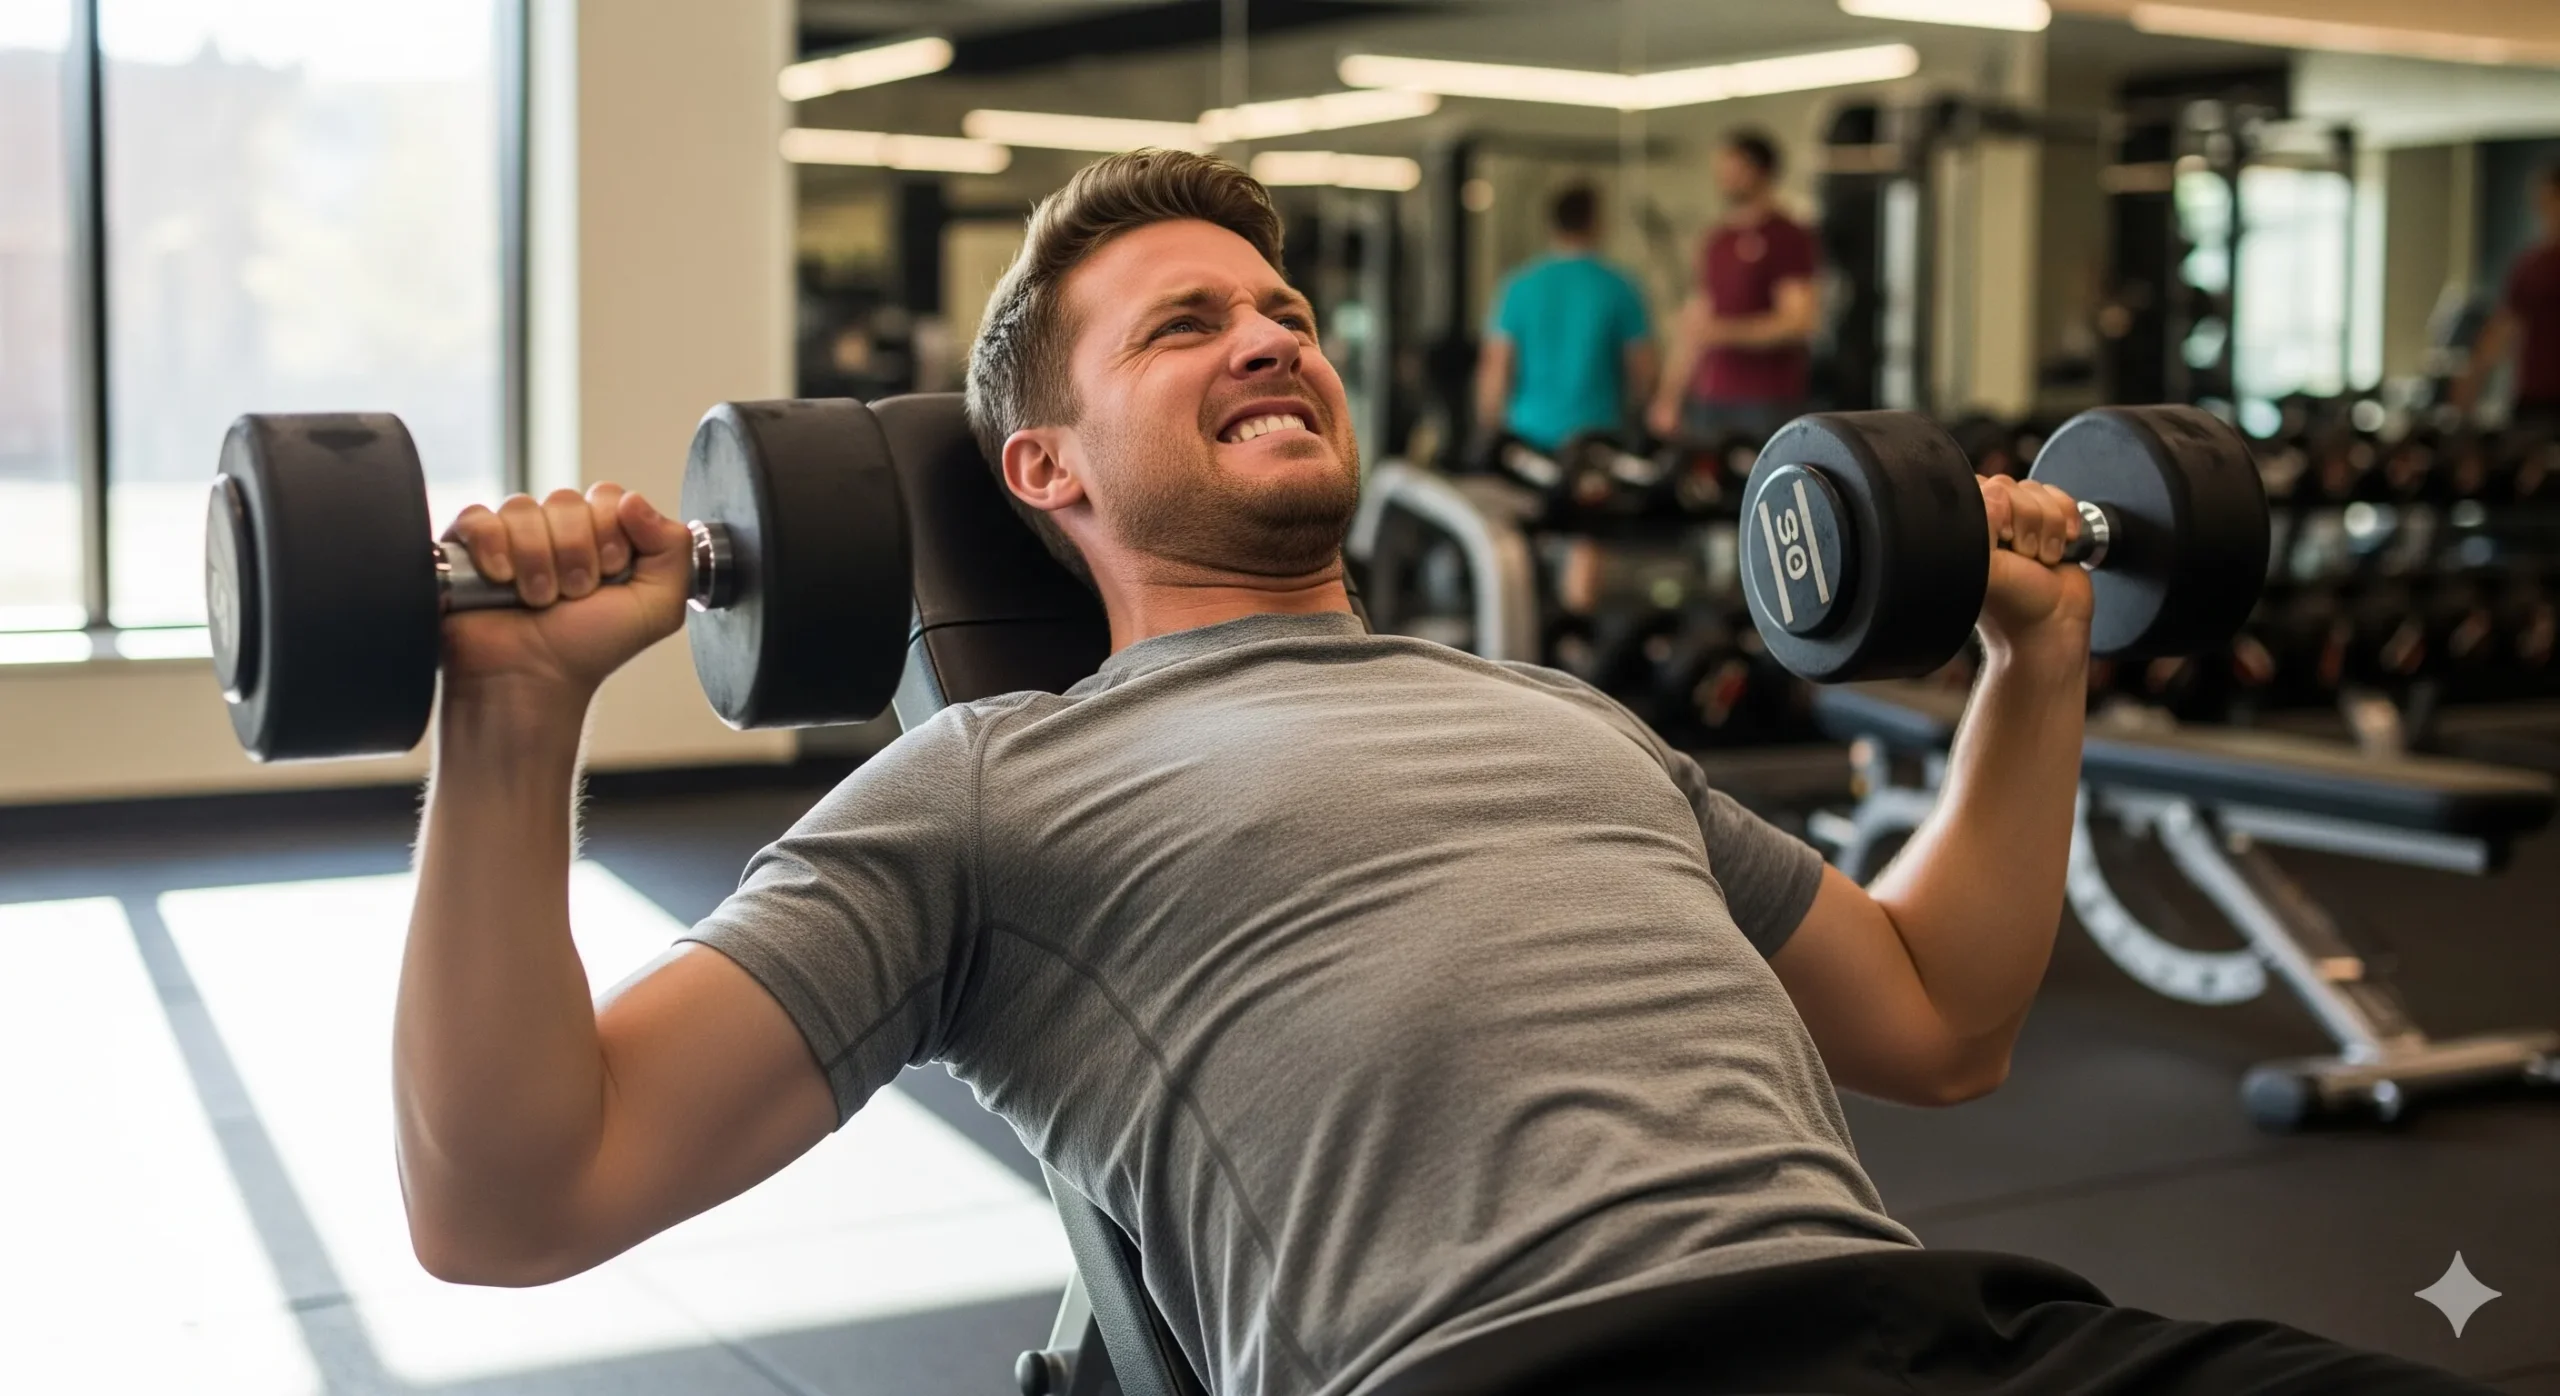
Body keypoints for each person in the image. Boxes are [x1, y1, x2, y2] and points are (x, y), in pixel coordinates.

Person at [396, 150, 2489, 1396]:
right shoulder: (984, 785)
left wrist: (2034, 664)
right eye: (1181, 322)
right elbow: (509, 1197)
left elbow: (1936, 1019)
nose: (1267, 334)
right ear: (1038, 470)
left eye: (1284, 304)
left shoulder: (1557, 712)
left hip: (1961, 1332)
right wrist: (513, 719)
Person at [1648, 128, 1821, 447]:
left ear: (1760, 171)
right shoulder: (1716, 241)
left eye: (1733, 167)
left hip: (1767, 401)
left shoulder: (1787, 236)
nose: (1723, 176)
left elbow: (1799, 321)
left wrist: (1722, 332)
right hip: (1712, 398)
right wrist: (1668, 398)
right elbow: (1697, 321)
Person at [1474, 183, 1656, 453]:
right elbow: (1643, 371)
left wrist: (1489, 431)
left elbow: (1496, 368)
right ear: (1596, 222)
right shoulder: (1619, 287)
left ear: (1552, 224)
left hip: (1528, 435)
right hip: (1596, 439)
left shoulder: (1519, 286)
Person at [2454, 163, 2560, 433]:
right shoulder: (2531, 268)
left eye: (2549, 201)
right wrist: (2468, 391)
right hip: (2538, 405)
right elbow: (2501, 331)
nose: (2542, 210)